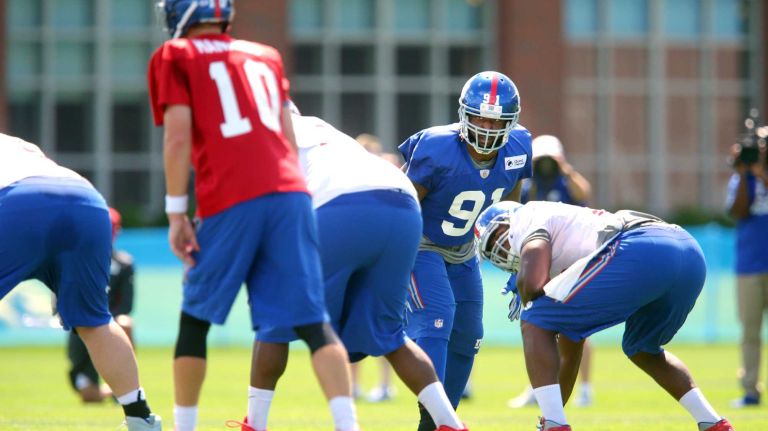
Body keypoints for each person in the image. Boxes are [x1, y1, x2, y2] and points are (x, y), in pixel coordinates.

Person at [148, 2, 358, 430]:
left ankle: (184, 427)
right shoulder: (265, 55)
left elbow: (177, 137)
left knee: (194, 318)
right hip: (290, 193)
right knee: (314, 323)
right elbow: (285, 136)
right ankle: (347, 425)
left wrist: (175, 213)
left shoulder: (175, 55)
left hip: (233, 193)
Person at [251, 108, 468, 431]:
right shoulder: (323, 130)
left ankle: (254, 424)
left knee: (275, 317)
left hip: (339, 203)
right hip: (403, 202)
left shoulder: (263, 135)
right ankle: (450, 423)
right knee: (391, 336)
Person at [474, 200, 735, 431]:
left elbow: (532, 284)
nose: (502, 246)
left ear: (510, 221)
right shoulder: (562, 247)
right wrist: (552, 414)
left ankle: (555, 425)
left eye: (500, 235)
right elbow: (569, 347)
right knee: (642, 348)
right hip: (688, 253)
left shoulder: (527, 216)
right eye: (492, 245)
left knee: (534, 318)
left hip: (644, 246)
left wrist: (528, 294)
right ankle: (713, 423)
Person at [398, 70, 533, 430]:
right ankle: (434, 420)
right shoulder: (437, 147)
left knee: (469, 334)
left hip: (463, 248)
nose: (487, 127)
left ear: (511, 121)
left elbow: (510, 205)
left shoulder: (519, 148)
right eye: (480, 117)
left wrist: (516, 253)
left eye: (496, 119)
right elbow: (404, 203)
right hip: (420, 243)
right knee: (437, 318)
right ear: (464, 114)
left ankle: (444, 421)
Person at [0, 135, 161, 430]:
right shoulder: (16, 143)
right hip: (85, 199)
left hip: (18, 201)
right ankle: (141, 418)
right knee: (96, 322)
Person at [509, 135, 595, 409]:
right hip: (542, 264)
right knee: (537, 325)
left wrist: (564, 168)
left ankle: (584, 388)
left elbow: (585, 194)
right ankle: (539, 388)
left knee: (576, 330)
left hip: (571, 263)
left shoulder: (566, 182)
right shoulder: (531, 187)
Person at [67, 207, 136, 403]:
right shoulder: (75, 259)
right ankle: (109, 388)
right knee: (90, 397)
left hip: (109, 322)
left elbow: (126, 304)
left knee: (125, 322)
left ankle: (127, 384)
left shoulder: (124, 264)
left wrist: (103, 319)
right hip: (82, 325)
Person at [725, 126, 768, 408]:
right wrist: (744, 173)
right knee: (750, 332)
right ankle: (751, 390)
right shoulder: (741, 179)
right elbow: (737, 211)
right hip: (750, 266)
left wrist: (761, 174)